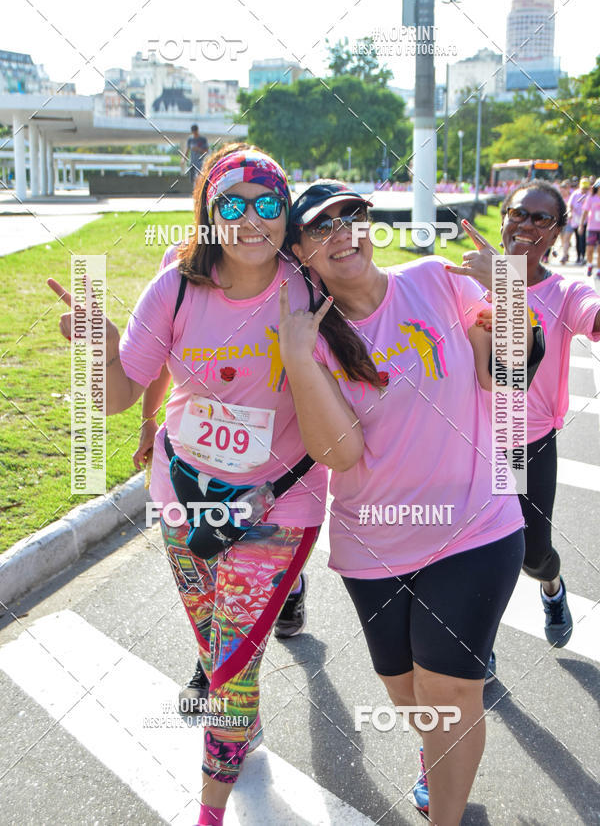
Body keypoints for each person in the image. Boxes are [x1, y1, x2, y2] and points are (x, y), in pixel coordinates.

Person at [49, 148, 327, 826]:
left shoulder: (308, 288)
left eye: (268, 203)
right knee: (214, 645)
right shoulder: (175, 286)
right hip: (182, 495)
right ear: (208, 213)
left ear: (286, 211)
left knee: (229, 669)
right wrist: (99, 344)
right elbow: (119, 394)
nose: (251, 218)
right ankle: (241, 728)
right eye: (231, 204)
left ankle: (209, 810)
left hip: (278, 505)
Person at [279, 181, 543, 824]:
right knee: (408, 694)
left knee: (449, 690)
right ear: (300, 252)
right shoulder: (310, 336)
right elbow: (340, 453)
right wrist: (298, 359)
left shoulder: (434, 281)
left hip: (476, 525)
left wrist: (510, 293)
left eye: (352, 217)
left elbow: (505, 376)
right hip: (373, 543)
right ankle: (435, 754)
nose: (343, 234)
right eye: (321, 227)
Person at [478, 181, 600, 652]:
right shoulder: (470, 277)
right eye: (518, 213)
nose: (526, 224)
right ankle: (474, 647)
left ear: (557, 233)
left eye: (541, 218)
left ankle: (552, 587)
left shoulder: (566, 292)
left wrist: (505, 286)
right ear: (503, 219)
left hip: (523, 442)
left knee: (532, 554)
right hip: (468, 437)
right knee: (473, 551)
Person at [566, 177, 590, 265]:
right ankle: (578, 256)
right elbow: (570, 205)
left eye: (586, 188)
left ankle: (583, 256)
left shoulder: (589, 195)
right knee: (577, 238)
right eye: (583, 188)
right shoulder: (575, 194)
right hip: (576, 220)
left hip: (586, 220)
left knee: (583, 238)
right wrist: (569, 213)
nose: (584, 190)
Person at [581, 178, 600, 277]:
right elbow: (585, 212)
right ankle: (589, 265)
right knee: (590, 249)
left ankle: (599, 269)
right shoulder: (591, 198)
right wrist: (581, 225)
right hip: (592, 227)